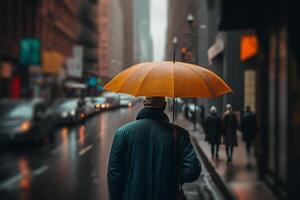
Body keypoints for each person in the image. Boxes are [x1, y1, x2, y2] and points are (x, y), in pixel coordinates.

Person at [107, 96, 201, 200]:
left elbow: (114, 175)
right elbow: (192, 171)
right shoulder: (179, 134)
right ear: (164, 105)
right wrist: (173, 175)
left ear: (144, 103)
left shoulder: (122, 133)